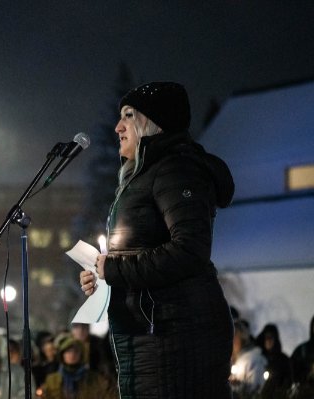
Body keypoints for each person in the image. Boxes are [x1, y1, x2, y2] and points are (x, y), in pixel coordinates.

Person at [79, 82, 235, 398]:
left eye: (128, 116)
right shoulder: (146, 175)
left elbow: (190, 249)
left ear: (152, 123)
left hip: (176, 333)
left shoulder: (176, 170)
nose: (118, 126)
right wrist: (103, 272)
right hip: (150, 332)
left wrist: (117, 270)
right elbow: (144, 251)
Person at [40, 335, 118, 399]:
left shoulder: (94, 379)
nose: (72, 354)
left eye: (76, 351)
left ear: (81, 354)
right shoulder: (52, 381)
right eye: (68, 351)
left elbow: (109, 394)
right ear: (62, 355)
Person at [230, 319, 268, 398]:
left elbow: (255, 388)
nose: (232, 341)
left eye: (235, 337)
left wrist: (237, 385)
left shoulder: (254, 359)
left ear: (242, 338)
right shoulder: (235, 360)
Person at [255, 323, 292, 399]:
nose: (268, 340)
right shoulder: (257, 357)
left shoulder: (284, 360)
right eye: (266, 338)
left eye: (271, 337)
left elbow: (288, 381)